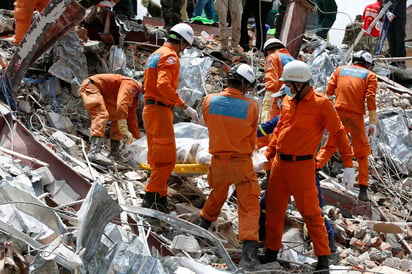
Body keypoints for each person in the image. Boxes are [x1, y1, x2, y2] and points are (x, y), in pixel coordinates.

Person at [260, 60, 355, 273]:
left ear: (300, 83)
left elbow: (338, 133)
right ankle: (271, 252)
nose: (287, 88)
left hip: (302, 167)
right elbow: (279, 130)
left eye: (289, 84)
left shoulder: (321, 104)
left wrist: (348, 164)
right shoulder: (288, 101)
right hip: (279, 165)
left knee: (311, 214)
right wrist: (267, 155)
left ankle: (323, 260)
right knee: (274, 210)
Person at [199, 63, 261, 271]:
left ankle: (200, 231)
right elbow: (252, 138)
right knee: (249, 206)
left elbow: (208, 123)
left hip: (217, 161)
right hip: (241, 163)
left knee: (217, 195)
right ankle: (248, 258)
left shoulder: (209, 100)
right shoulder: (251, 106)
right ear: (244, 84)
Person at [142, 23, 200, 213]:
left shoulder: (156, 53)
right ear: (182, 42)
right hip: (159, 110)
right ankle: (153, 199)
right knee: (166, 159)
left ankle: (158, 197)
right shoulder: (170, 57)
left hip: (150, 109)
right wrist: (183, 105)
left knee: (156, 157)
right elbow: (164, 85)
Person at [316, 50, 378, 202]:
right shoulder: (370, 75)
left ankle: (313, 171)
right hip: (355, 117)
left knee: (330, 146)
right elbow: (370, 98)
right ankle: (363, 188)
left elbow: (329, 91)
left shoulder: (340, 70)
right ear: (368, 64)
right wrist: (373, 122)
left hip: (337, 114)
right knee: (362, 153)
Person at [79, 73, 142, 166]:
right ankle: (94, 152)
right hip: (92, 87)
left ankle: (114, 153)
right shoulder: (132, 85)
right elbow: (121, 105)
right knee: (101, 115)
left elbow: (131, 117)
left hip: (103, 94)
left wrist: (138, 140)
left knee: (118, 117)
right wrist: (124, 128)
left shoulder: (135, 96)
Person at [261, 38, 294, 122]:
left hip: (277, 101)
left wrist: (267, 104)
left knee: (269, 128)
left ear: (267, 51)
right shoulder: (292, 59)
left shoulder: (272, 57)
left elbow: (271, 80)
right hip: (292, 101)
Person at [384, 0, 407, 68]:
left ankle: (401, 61)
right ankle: (393, 61)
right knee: (391, 39)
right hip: (389, 17)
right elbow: (383, 3)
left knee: (399, 39)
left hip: (399, 17)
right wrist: (387, 12)